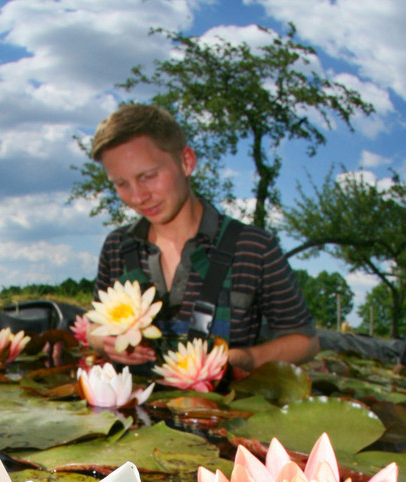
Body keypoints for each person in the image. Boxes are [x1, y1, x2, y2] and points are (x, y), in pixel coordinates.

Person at [89, 104, 319, 371]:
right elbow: (95, 325)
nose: (138, 197)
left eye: (149, 176)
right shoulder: (117, 247)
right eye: (121, 184)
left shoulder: (254, 248)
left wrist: (248, 359)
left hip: (221, 407)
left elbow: (307, 342)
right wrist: (104, 340)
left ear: (186, 162)